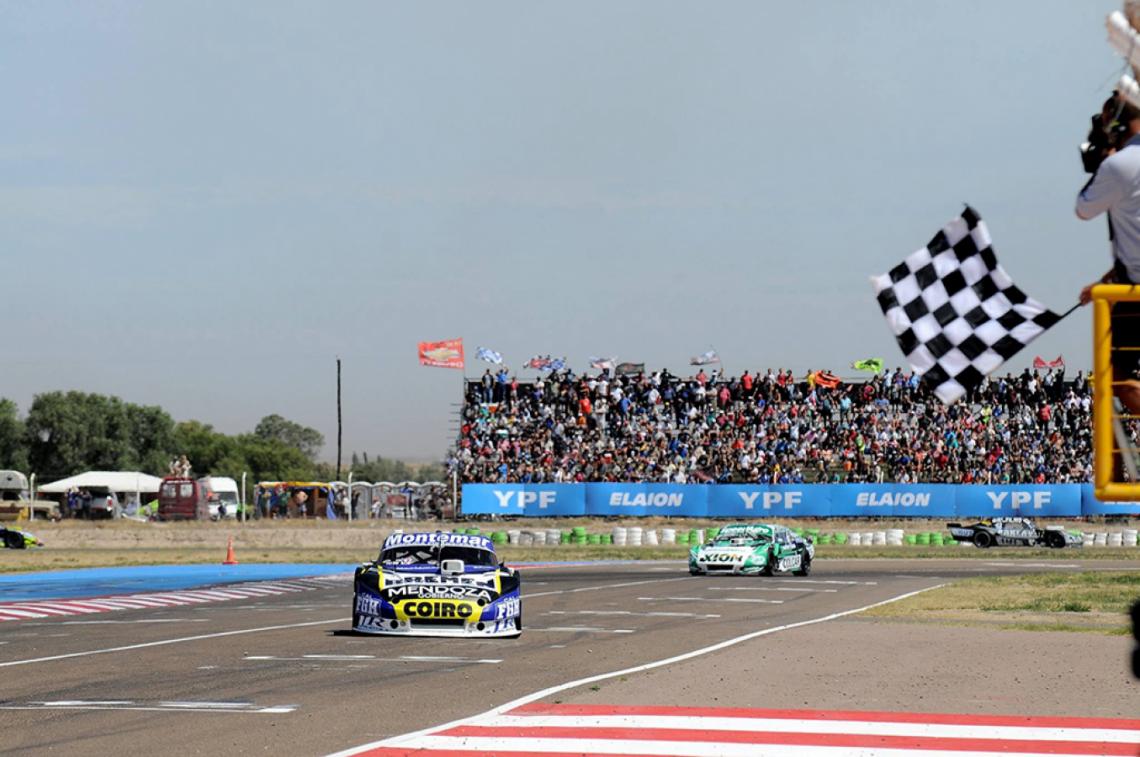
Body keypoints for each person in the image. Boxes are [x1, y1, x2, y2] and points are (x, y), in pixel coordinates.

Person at [1076, 96, 1140, 415]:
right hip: (1126, 282)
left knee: (1116, 378)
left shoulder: (1120, 165)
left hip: (1134, 292)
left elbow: (1083, 208)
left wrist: (1105, 160)